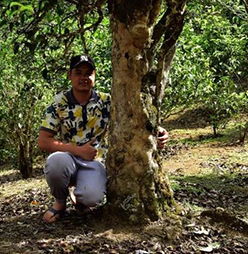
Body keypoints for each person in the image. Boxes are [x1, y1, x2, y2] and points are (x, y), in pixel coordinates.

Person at [38, 54, 170, 223]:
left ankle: (81, 199)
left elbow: (133, 118)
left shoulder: (107, 101)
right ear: (69, 75)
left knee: (92, 198)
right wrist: (78, 150)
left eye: (88, 73)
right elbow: (43, 141)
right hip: (68, 157)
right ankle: (60, 202)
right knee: (55, 163)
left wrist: (156, 131)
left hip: (95, 160)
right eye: (78, 73)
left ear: (95, 75)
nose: (84, 77)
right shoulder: (59, 103)